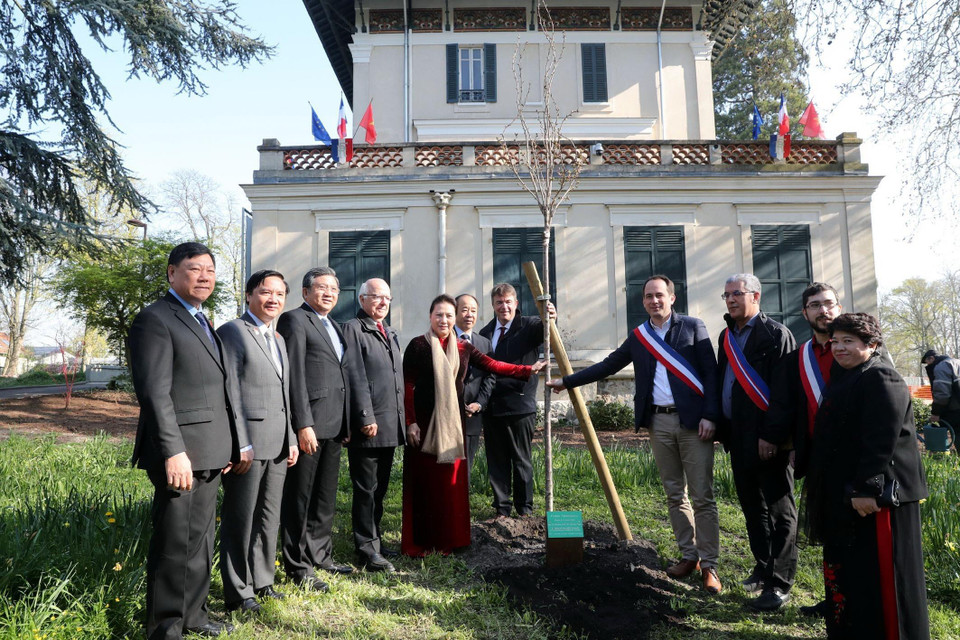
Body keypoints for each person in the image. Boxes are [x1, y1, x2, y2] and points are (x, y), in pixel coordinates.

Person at [546, 275, 723, 595]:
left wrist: (711, 415)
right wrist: (567, 381)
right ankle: (689, 556)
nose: (654, 301)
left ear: (672, 298)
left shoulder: (694, 327)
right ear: (643, 302)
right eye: (648, 297)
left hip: (694, 423)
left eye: (659, 295)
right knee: (674, 493)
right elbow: (609, 365)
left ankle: (709, 565)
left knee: (702, 496)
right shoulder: (640, 336)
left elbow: (711, 374)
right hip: (659, 423)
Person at [128, 242, 252, 639]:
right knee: (174, 541)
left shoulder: (203, 320)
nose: (204, 276)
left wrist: (230, 445)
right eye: (194, 268)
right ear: (171, 273)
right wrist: (173, 451)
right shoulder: (155, 319)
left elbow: (217, 391)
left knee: (200, 541)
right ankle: (165, 627)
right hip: (179, 454)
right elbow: (154, 394)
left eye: (210, 271)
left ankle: (194, 615)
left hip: (211, 450)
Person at [803, 313, 929, 639]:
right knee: (851, 577)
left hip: (877, 501)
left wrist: (865, 489)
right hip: (845, 497)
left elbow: (880, 441)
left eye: (849, 341)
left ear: (871, 345)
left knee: (883, 581)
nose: (839, 348)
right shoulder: (843, 374)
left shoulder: (881, 378)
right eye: (836, 341)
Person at [401, 294, 545, 556]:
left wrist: (525, 370)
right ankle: (421, 544)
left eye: (448, 315)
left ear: (453, 318)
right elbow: (408, 385)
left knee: (451, 484)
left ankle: (450, 541)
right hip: (423, 425)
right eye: (438, 315)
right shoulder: (417, 345)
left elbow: (493, 365)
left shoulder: (463, 347)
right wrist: (410, 422)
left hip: (452, 424)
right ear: (430, 317)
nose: (444, 320)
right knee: (425, 486)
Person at [217, 270, 299, 614]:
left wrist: (292, 437)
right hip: (248, 445)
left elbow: (285, 394)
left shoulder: (278, 338)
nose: (274, 300)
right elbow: (229, 391)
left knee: (268, 517)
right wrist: (239, 443)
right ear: (250, 294)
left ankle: (263, 581)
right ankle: (238, 591)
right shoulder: (234, 332)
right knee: (241, 518)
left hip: (279, 443)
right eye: (266, 292)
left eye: (280, 294)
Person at [716, 273, 798, 611]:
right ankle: (764, 568)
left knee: (781, 512)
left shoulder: (776, 334)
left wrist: (773, 436)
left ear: (756, 296)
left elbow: (784, 392)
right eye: (727, 295)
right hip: (739, 437)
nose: (732, 300)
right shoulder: (726, 336)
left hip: (768, 440)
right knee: (753, 509)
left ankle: (779, 583)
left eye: (737, 293)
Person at [761, 282, 842, 617]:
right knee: (827, 530)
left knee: (848, 532)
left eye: (829, 304)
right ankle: (832, 596)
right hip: (817, 456)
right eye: (815, 305)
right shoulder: (798, 359)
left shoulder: (857, 349)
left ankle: (847, 598)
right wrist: (778, 439)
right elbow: (784, 404)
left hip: (854, 455)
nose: (823, 311)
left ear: (839, 307)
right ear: (804, 312)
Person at [276, 267, 354, 593]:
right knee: (299, 498)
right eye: (321, 288)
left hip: (335, 425)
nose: (328, 293)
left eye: (333, 289)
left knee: (324, 498)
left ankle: (321, 555)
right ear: (306, 292)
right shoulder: (295, 320)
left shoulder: (335, 326)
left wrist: (347, 422)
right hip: (310, 425)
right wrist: (302, 423)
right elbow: (292, 375)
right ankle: (297, 564)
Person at [341, 278, 405, 573]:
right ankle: (366, 549)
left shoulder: (388, 331)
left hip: (389, 425)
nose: (382, 303)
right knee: (365, 489)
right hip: (369, 424)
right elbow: (353, 373)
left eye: (387, 298)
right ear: (363, 300)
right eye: (376, 297)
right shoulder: (354, 329)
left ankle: (375, 540)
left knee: (379, 489)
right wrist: (364, 415)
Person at [478, 283, 556, 517]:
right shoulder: (485, 333)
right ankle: (502, 509)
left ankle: (524, 509)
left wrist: (550, 317)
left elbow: (548, 331)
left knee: (521, 459)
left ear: (516, 303)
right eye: (499, 302)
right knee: (497, 461)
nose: (504, 306)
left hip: (519, 404)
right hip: (492, 406)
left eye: (508, 301)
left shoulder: (530, 325)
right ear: (493, 305)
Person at [454, 293, 495, 479]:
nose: (469, 314)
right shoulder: (442, 339)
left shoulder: (484, 343)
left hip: (473, 415)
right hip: (448, 414)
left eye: (473, 310)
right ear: (454, 312)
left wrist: (479, 403)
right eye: (464, 310)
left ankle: (463, 505)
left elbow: (490, 377)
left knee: (466, 466)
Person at [921, 349, 960, 430]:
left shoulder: (942, 366)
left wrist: (936, 413)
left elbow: (942, 394)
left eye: (927, 362)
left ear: (931, 358)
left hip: (955, 410)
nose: (927, 365)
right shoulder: (957, 362)